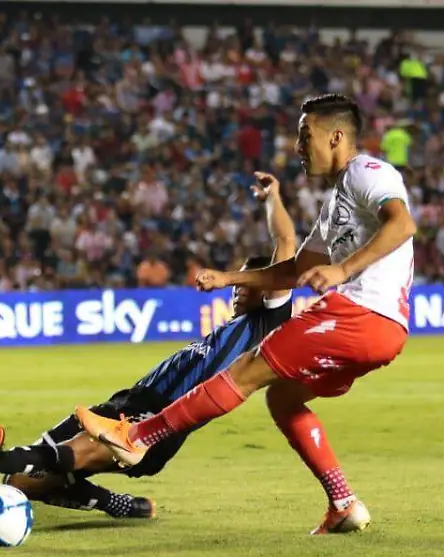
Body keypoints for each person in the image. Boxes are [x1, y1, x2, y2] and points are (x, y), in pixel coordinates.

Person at [74, 94, 418, 534]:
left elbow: (402, 224)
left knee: (247, 369)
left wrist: (343, 269)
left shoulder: (367, 172)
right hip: (380, 330)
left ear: (336, 136)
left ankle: (139, 438)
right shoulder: (335, 205)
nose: (297, 145)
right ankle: (343, 503)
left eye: (304, 134)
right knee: (283, 398)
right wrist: (229, 279)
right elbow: (295, 270)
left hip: (361, 312)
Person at [0, 173, 298, 517]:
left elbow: (285, 245)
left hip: (160, 419)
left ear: (266, 287)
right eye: (236, 283)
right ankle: (118, 504)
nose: (237, 290)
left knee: (79, 452)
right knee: (18, 482)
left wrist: (273, 199)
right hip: (126, 399)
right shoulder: (230, 330)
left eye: (246, 283)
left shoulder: (265, 326)